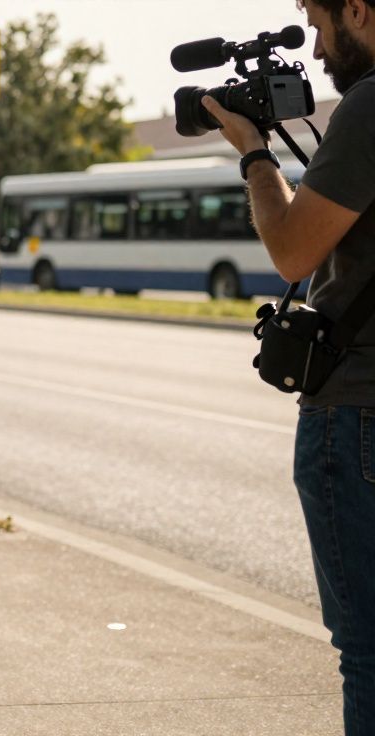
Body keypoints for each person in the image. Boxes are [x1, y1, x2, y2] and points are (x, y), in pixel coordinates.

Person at [203, 1, 375, 731]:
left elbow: (293, 251)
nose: (313, 40)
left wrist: (253, 152)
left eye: (315, 17)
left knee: (370, 654)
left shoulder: (369, 107)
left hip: (360, 412)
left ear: (358, 11)